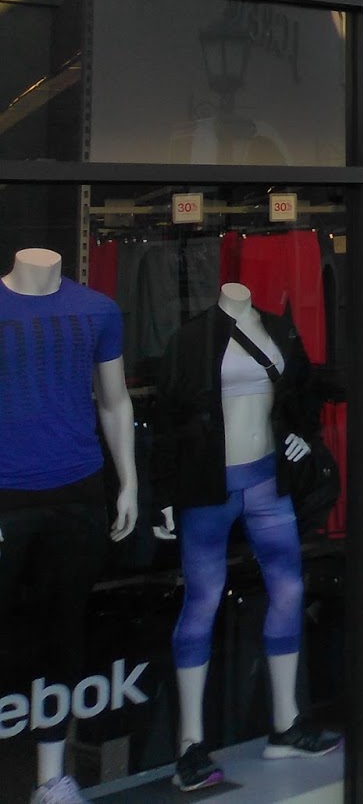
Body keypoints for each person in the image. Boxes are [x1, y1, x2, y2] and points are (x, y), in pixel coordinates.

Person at [154, 282, 339, 792]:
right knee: (202, 600)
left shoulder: (277, 330)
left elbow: (302, 392)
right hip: (209, 487)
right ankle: (190, 743)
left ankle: (286, 721)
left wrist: (304, 436)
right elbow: (169, 417)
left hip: (265, 481)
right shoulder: (192, 338)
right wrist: (162, 493)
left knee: (289, 589)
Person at [0, 248, 138, 804]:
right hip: (6, 494)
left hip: (77, 491)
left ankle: (51, 777)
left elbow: (115, 401)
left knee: (63, 632)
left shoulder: (98, 309)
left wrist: (128, 482)